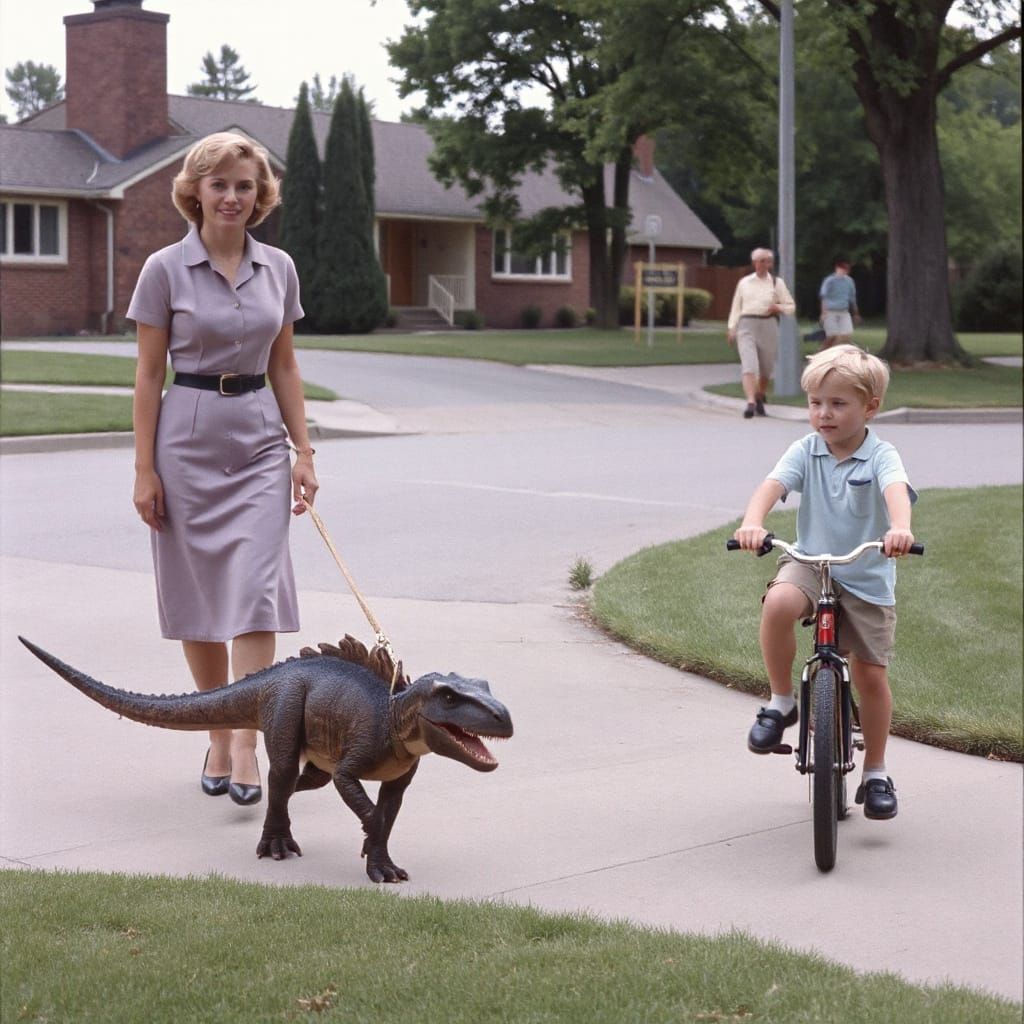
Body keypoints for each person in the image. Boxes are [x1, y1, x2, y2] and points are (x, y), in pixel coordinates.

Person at [128, 132, 319, 807]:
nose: (232, 196)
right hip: (185, 444)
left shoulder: (280, 268)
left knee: (254, 590)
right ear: (196, 192)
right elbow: (149, 376)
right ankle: (215, 725)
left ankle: (246, 735)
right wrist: (143, 469)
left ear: (259, 194)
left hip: (261, 445)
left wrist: (305, 451)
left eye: (244, 185)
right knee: (198, 600)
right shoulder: (163, 269)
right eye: (220, 185)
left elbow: (286, 365)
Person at [733, 345, 916, 820]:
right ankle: (781, 703)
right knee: (777, 605)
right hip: (811, 560)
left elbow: (895, 491)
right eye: (816, 403)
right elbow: (771, 487)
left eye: (837, 404)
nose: (823, 414)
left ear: (869, 407)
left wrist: (900, 528)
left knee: (872, 675)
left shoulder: (881, 454)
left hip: (865, 573)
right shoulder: (805, 449)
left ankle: (875, 771)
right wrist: (752, 521)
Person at [727, 247, 796, 419]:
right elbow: (736, 307)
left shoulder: (776, 283)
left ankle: (759, 396)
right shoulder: (744, 283)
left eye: (767, 261)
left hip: (768, 325)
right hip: (747, 324)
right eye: (761, 261)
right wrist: (732, 327)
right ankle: (750, 402)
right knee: (749, 365)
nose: (764, 264)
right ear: (754, 263)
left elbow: (790, 307)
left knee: (765, 369)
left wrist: (777, 307)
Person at [818, 257, 861, 349]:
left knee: (846, 334)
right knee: (832, 335)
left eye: (846, 269)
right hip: (830, 311)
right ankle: (822, 351)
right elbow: (823, 297)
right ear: (837, 268)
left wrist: (856, 313)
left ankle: (835, 352)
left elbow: (852, 298)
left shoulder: (849, 281)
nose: (844, 271)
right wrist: (823, 313)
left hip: (844, 311)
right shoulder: (829, 281)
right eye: (842, 269)